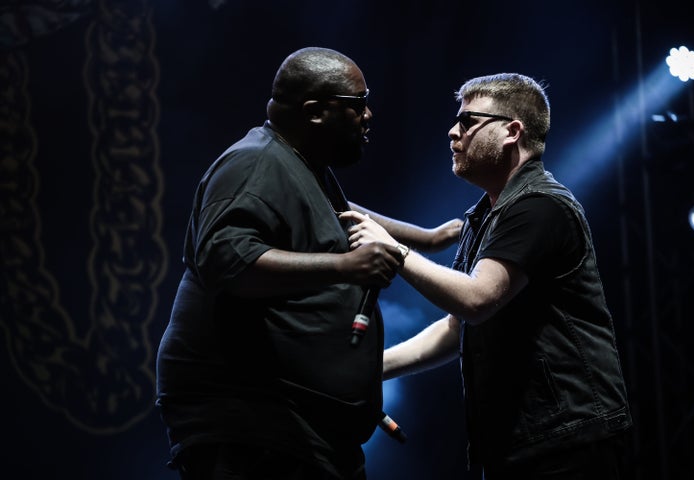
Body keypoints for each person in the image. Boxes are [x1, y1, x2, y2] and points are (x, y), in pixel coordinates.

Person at [155, 46, 462, 480]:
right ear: (316, 112)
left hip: (296, 428)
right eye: (358, 105)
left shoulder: (299, 167)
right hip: (253, 424)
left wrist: (429, 239)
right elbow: (228, 261)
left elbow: (343, 210)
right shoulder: (254, 163)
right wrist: (344, 266)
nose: (369, 115)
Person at [341, 73, 632, 479]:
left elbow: (478, 299)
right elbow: (456, 328)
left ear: (512, 131)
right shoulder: (486, 217)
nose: (452, 131)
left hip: (568, 441)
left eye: (467, 121)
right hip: (517, 442)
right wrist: (370, 369)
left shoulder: (539, 207)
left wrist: (394, 251)